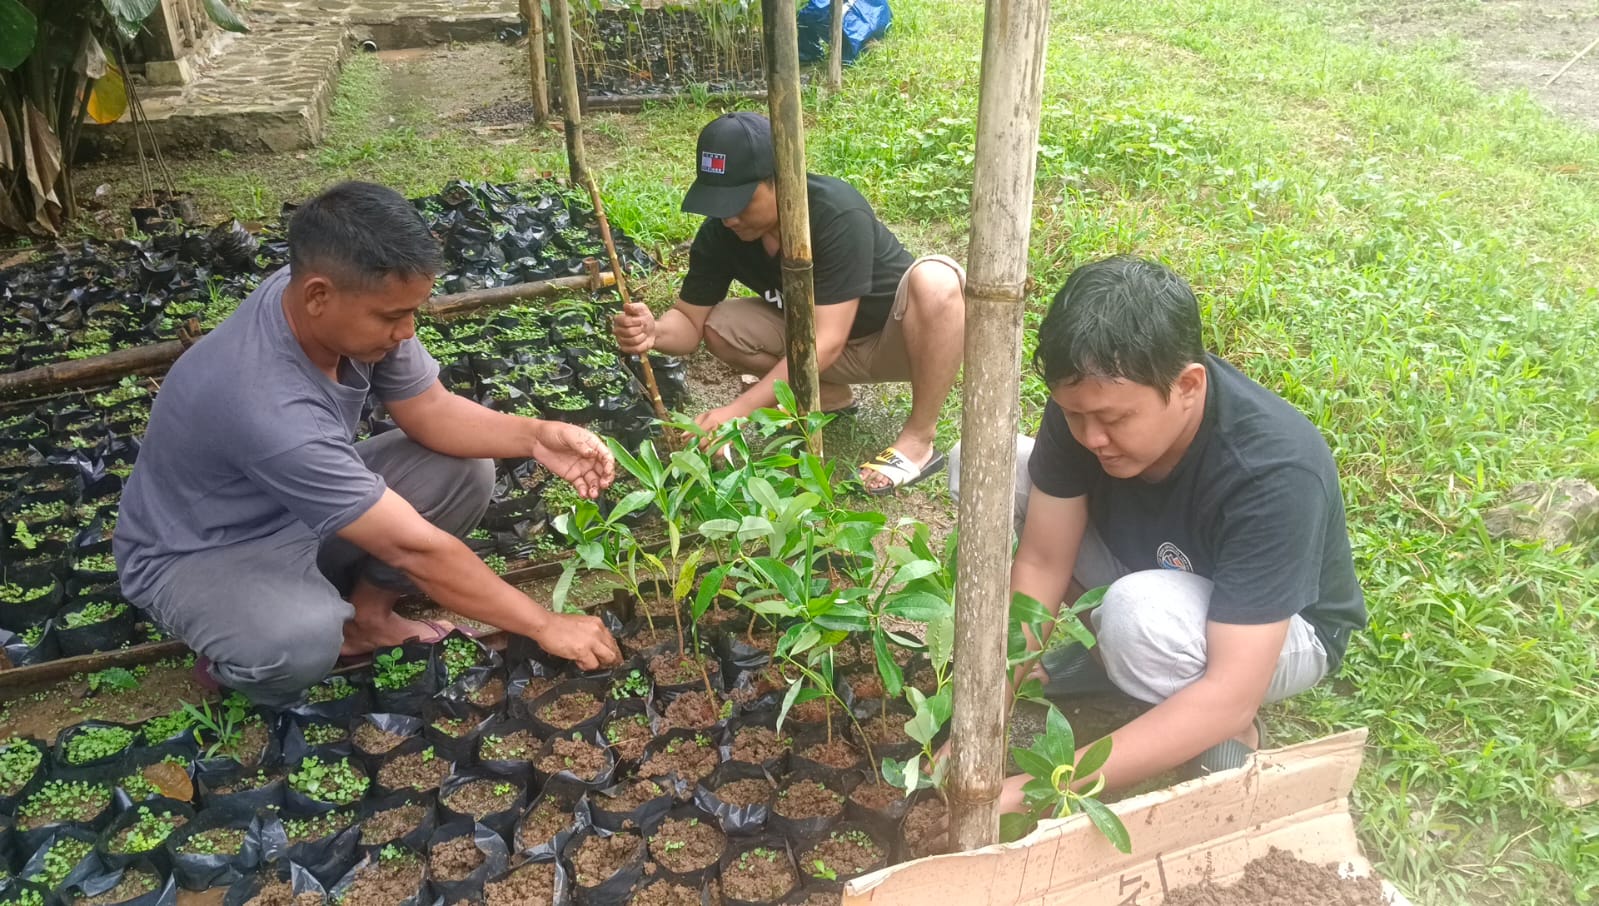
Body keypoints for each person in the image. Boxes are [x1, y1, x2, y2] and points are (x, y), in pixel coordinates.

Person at [114, 181, 622, 707]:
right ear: (317, 295)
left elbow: (431, 411)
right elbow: (413, 548)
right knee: (299, 641)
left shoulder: (336, 302)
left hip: (295, 508)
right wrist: (543, 623)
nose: (406, 331)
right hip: (205, 548)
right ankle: (242, 653)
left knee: (465, 469)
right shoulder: (261, 398)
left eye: (413, 313)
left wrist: (535, 436)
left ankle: (369, 619)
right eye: (392, 316)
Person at [948, 256, 1366, 802]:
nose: (1091, 437)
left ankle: (1228, 734)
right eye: (1075, 415)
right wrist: (984, 718)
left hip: (1278, 628)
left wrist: (1035, 790)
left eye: (1116, 420)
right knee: (981, 468)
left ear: (1188, 385)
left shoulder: (1274, 471)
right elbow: (1044, 561)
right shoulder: (1089, 404)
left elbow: (1231, 690)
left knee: (1137, 618)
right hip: (1151, 563)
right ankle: (1108, 656)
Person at [611, 112, 966, 493]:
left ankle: (917, 441)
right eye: (718, 202)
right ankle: (827, 396)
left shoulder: (835, 212)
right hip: (817, 347)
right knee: (722, 326)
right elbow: (689, 322)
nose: (728, 217)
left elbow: (825, 341)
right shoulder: (722, 232)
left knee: (936, 281)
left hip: (896, 342)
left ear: (780, 179)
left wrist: (737, 412)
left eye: (739, 200)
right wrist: (654, 331)